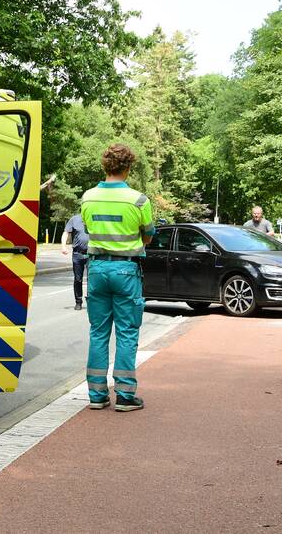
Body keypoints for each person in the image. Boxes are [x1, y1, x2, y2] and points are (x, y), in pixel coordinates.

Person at [81, 144, 156, 412]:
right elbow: (148, 236)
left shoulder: (88, 197)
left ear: (105, 166)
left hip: (97, 268)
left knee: (98, 331)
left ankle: (97, 395)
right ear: (128, 167)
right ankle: (124, 394)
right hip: (126, 270)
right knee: (126, 331)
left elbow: (89, 228)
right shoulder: (139, 200)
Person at [61, 214, 89, 310]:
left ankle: (91, 301)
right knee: (78, 279)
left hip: (92, 254)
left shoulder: (94, 216)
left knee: (92, 279)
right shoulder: (74, 219)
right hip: (77, 254)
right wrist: (63, 246)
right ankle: (78, 302)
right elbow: (66, 232)